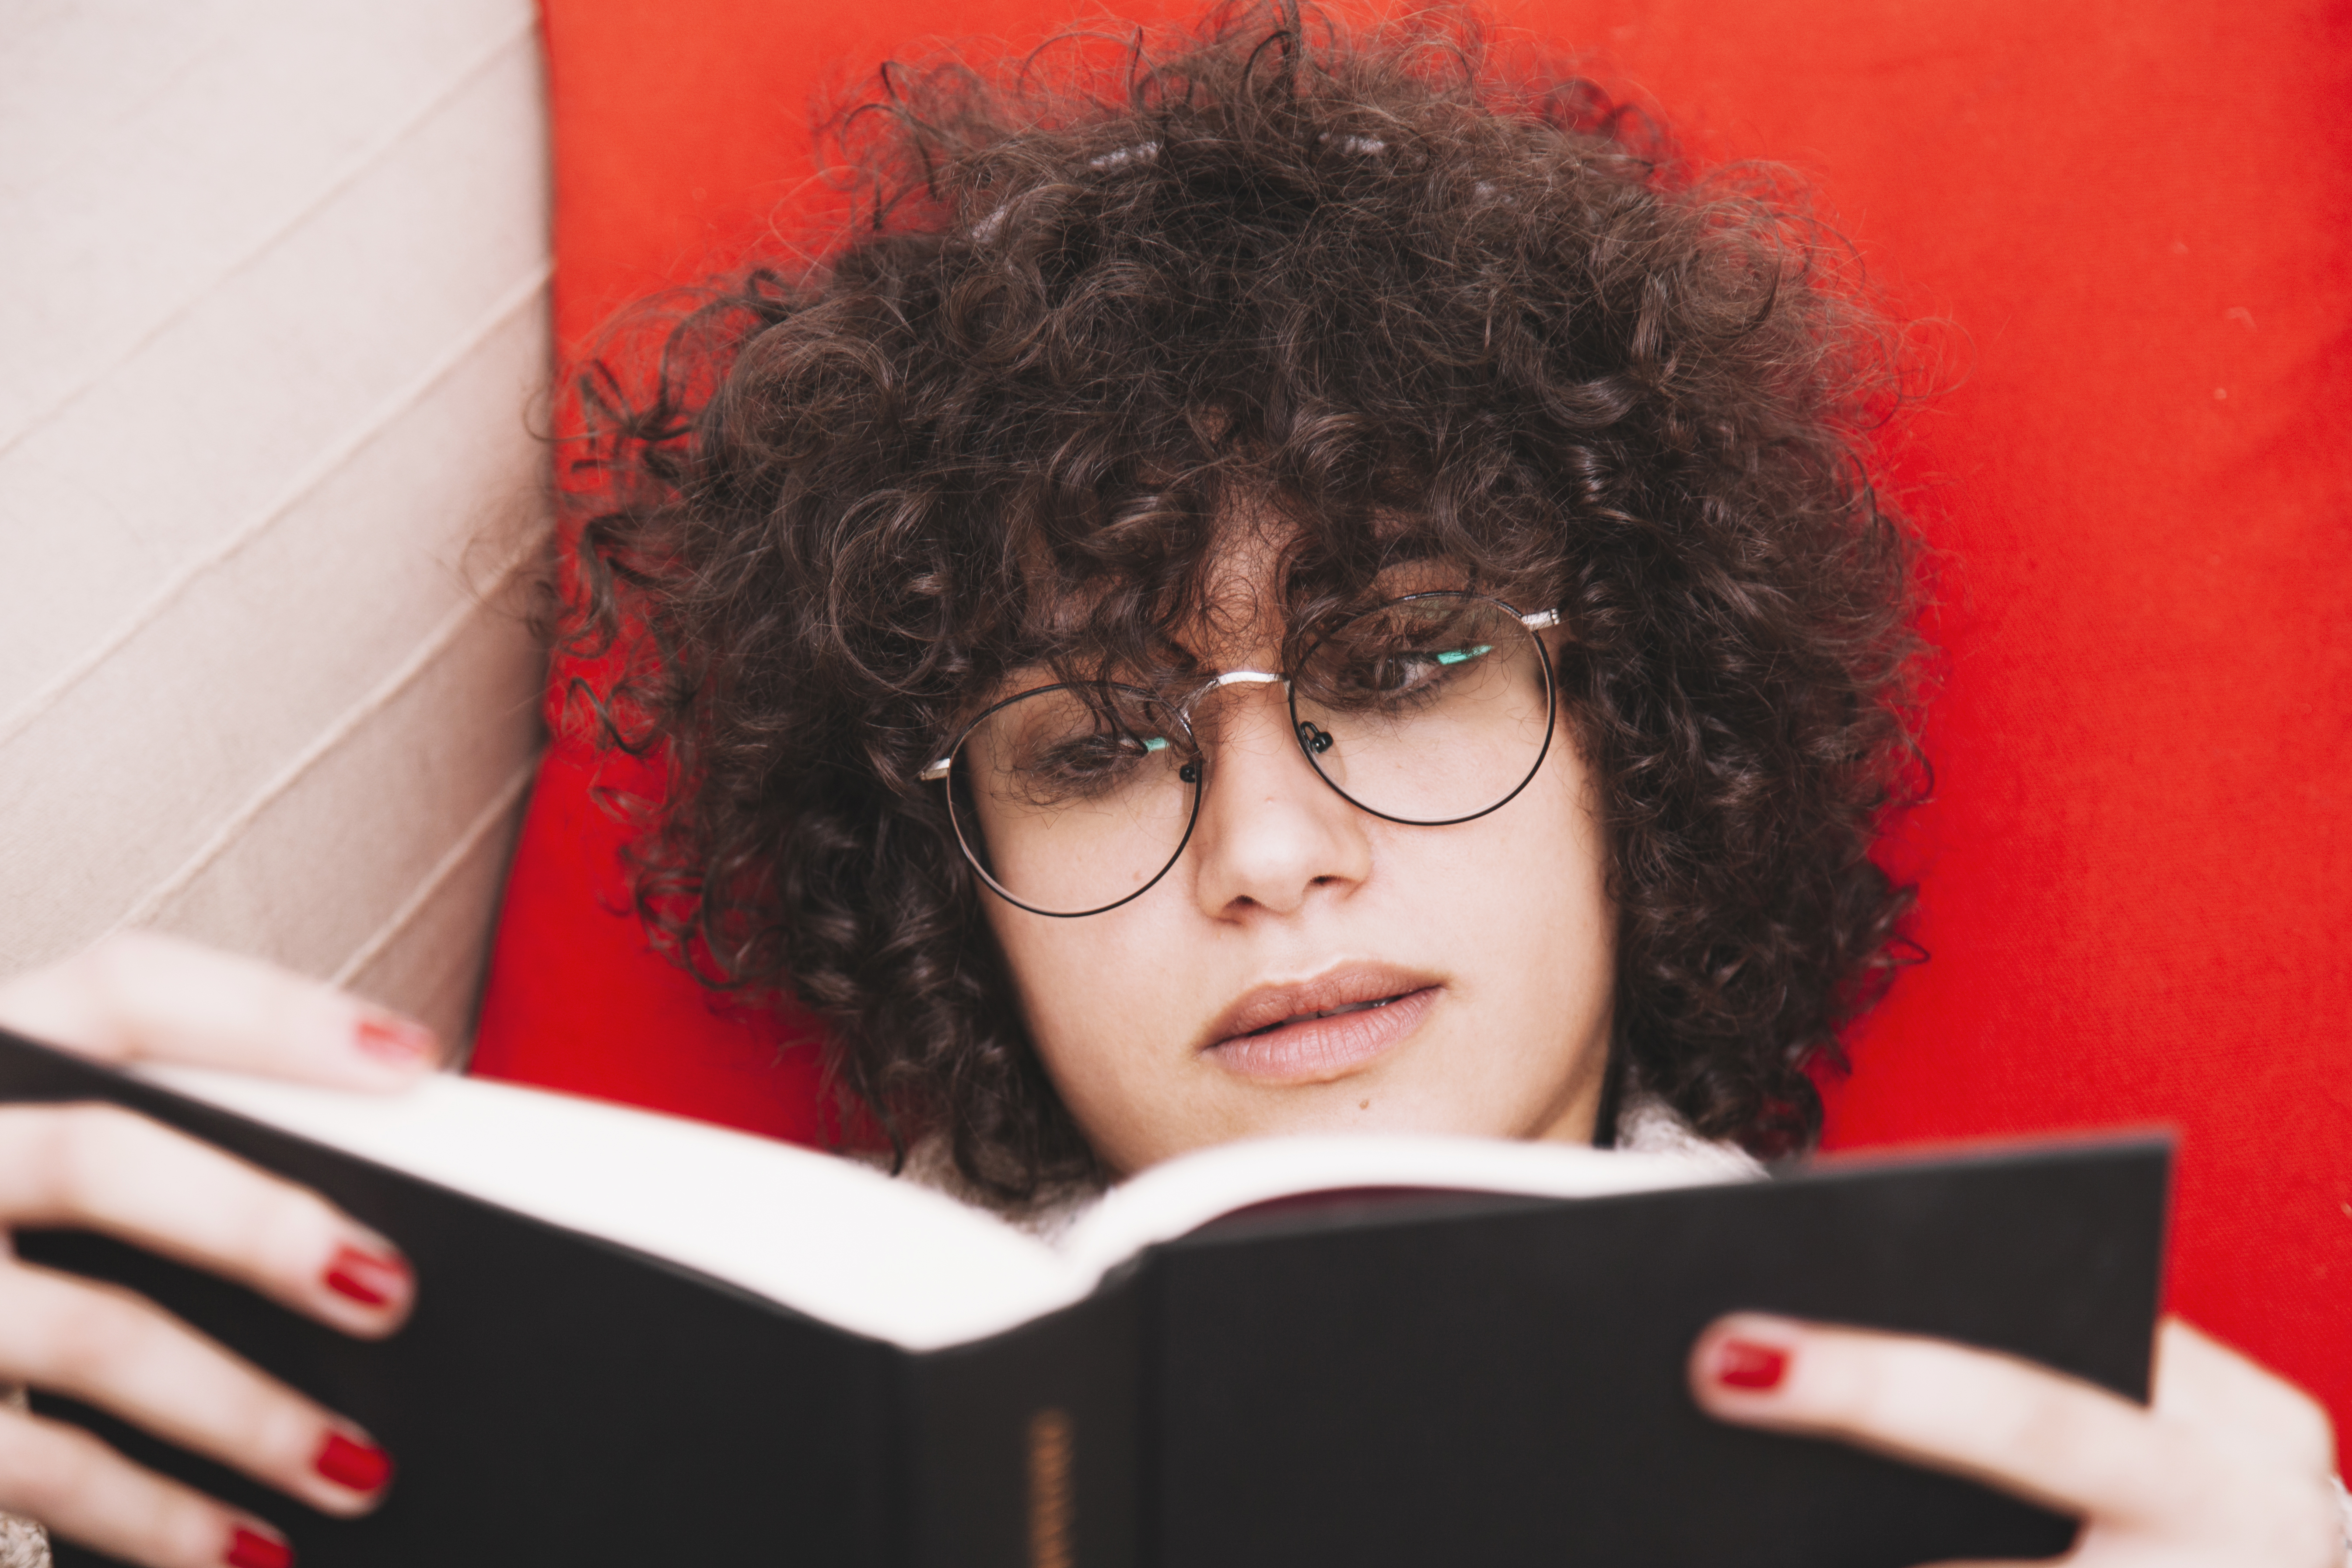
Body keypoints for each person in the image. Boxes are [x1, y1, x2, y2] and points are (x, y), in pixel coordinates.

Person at [0, 7, 2341, 1567]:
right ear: (960, 884)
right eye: (1102, 746)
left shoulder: (1999, 1459)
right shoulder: (695, 1384)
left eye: (1408, 667)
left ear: (1632, 743)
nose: (1271, 855)